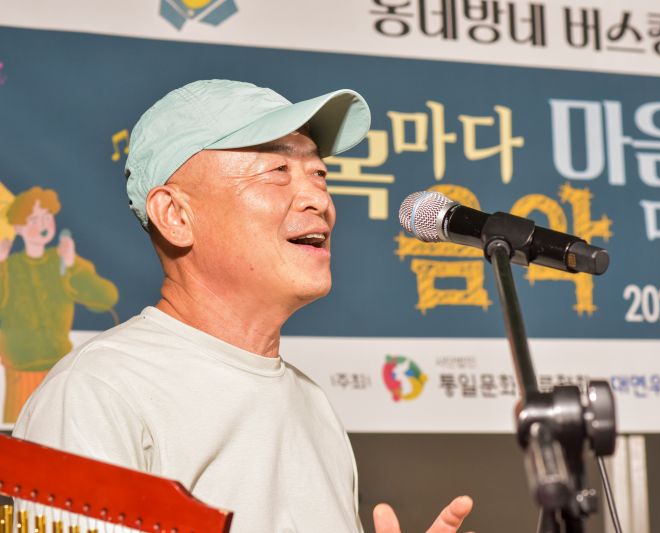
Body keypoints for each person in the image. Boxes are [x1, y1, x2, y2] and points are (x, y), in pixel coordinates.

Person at [13, 80, 473, 532]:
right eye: (277, 171)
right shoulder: (97, 392)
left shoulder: (311, 401)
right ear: (175, 215)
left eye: (319, 174)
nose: (318, 199)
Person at [0, 185, 118, 423]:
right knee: (18, 436)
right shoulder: (9, 267)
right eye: (33, 219)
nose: (42, 224)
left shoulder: (63, 261)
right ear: (19, 227)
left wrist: (72, 265)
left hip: (59, 373)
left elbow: (106, 298)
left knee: (56, 430)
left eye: (46, 217)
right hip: (19, 375)